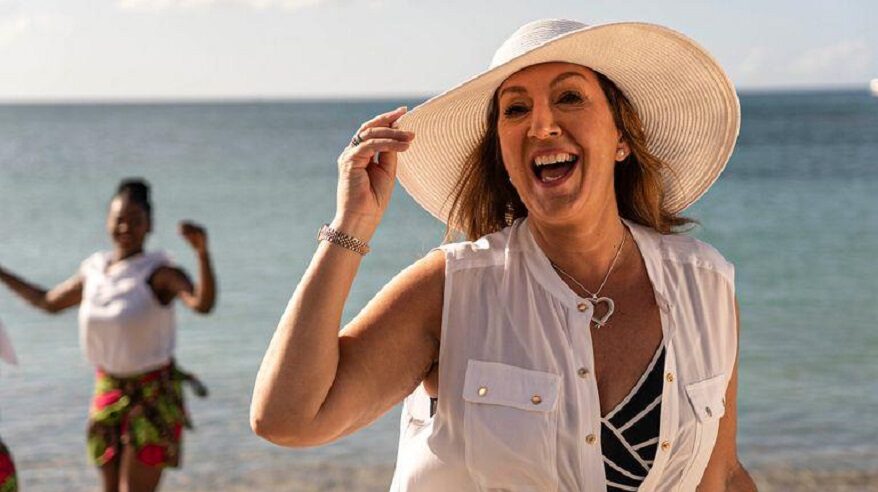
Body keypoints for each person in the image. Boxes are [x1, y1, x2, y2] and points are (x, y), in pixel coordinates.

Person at [251, 19, 756, 491]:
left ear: (620, 137)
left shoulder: (704, 283)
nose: (542, 125)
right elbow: (290, 419)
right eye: (516, 109)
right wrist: (351, 225)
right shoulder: (452, 289)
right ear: (502, 151)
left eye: (570, 97)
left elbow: (722, 476)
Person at [0, 179, 216, 492]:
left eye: (136, 220)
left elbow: (202, 304)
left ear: (150, 225)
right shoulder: (95, 271)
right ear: (108, 222)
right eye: (119, 219)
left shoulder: (159, 273)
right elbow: (47, 302)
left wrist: (202, 254)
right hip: (108, 390)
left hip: (152, 395)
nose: (126, 227)